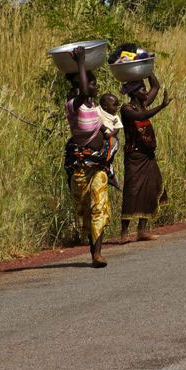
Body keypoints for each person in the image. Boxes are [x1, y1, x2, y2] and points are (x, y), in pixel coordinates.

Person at [64, 46, 111, 268]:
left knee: (99, 206)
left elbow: (101, 128)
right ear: (79, 85)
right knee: (85, 211)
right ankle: (93, 250)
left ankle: (98, 254)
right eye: (92, 82)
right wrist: (81, 62)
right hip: (81, 167)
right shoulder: (73, 106)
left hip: (98, 165)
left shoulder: (93, 106)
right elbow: (83, 91)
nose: (96, 86)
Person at [118, 72, 171, 242]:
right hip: (135, 155)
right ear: (134, 92)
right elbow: (141, 117)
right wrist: (161, 106)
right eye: (141, 89)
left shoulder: (143, 103)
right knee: (132, 191)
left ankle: (142, 230)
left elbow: (155, 86)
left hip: (148, 155)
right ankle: (124, 232)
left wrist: (147, 70)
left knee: (151, 188)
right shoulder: (127, 109)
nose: (145, 91)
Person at [98, 93, 123, 189]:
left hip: (111, 138)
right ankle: (106, 165)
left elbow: (117, 128)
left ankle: (107, 163)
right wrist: (104, 130)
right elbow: (97, 121)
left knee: (112, 145)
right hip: (103, 137)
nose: (117, 108)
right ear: (105, 106)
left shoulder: (115, 117)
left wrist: (110, 134)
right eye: (114, 105)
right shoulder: (98, 111)